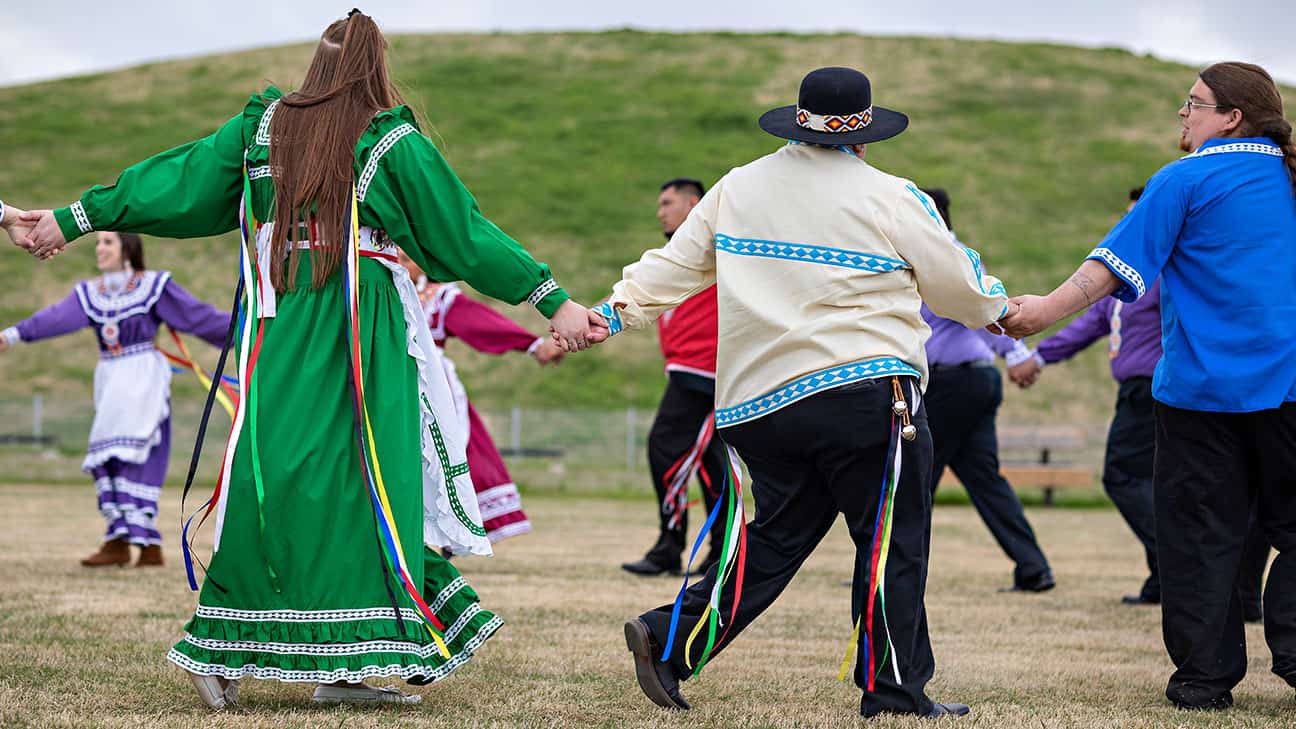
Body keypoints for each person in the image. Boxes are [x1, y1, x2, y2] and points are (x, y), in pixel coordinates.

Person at [5, 11, 592, 709]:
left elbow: (178, 181)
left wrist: (72, 216)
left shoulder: (263, 131)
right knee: (365, 477)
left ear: (316, 62)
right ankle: (259, 653)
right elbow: (461, 230)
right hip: (357, 322)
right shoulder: (388, 139)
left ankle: (328, 666)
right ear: (376, 66)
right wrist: (550, 297)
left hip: (281, 322)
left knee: (285, 476)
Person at [577, 66, 1011, 719]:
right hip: (867, 393)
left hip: (761, 404)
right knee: (891, 539)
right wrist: (1005, 308)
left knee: (777, 536)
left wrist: (609, 314)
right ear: (863, 133)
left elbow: (670, 268)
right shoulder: (893, 196)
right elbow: (961, 286)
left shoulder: (736, 188)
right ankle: (894, 687)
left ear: (797, 122)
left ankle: (671, 639)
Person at [998, 62, 1296, 711]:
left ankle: (1204, 677)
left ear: (1230, 117)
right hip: (1291, 392)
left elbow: (1108, 270)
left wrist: (1038, 313)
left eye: (1192, 104)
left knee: (1199, 534)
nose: (1181, 116)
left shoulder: (1184, 179)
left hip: (1200, 397)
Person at [0, 232, 229, 567]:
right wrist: (11, 335)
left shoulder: (152, 287)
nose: (100, 248)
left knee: (133, 453)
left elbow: (198, 317)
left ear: (128, 248)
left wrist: (248, 322)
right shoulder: (93, 293)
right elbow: (55, 318)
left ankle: (124, 540)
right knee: (107, 454)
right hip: (110, 379)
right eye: (97, 243)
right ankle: (137, 542)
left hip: (142, 378)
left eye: (108, 242)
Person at [917, 188, 1054, 593]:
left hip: (953, 384)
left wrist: (1017, 355)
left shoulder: (945, 256)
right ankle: (1033, 568)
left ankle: (895, 569)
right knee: (984, 480)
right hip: (971, 382)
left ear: (932, 215)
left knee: (916, 477)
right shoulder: (937, 255)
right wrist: (1014, 356)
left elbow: (984, 308)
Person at [398, 250, 564, 544]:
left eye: (408, 258)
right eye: (395, 257)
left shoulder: (438, 300)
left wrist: (533, 345)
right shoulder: (373, 291)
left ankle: (451, 533)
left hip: (428, 388)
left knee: (448, 453)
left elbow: (482, 324)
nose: (400, 264)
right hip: (385, 384)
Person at [621, 178, 727, 578]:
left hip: (705, 370)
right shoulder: (677, 255)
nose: (660, 210)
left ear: (693, 204)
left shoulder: (715, 242)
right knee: (709, 463)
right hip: (690, 367)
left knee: (666, 449)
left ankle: (673, 546)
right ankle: (721, 551)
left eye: (668, 202)